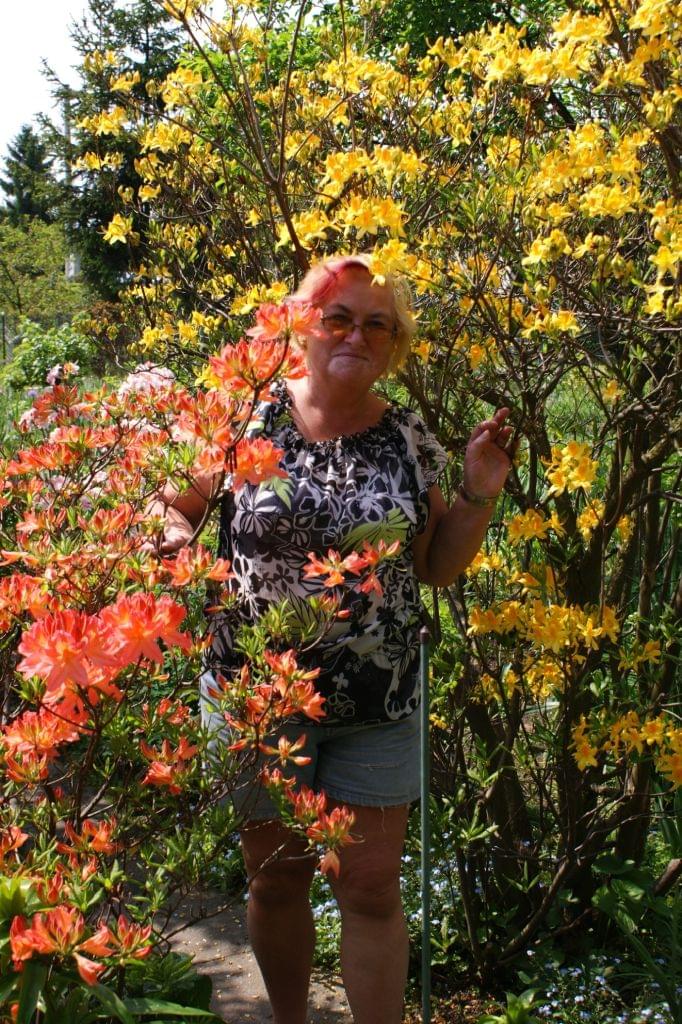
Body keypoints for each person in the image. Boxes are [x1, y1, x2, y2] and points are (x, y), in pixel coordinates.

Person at [153, 254, 514, 1024]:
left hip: (376, 704)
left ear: (394, 343)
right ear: (302, 327)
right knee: (278, 879)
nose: (357, 334)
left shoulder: (406, 434)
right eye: (338, 317)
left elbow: (436, 567)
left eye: (377, 324)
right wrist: (175, 542)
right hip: (256, 698)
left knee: (372, 890)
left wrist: (478, 492)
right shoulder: (245, 414)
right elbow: (174, 505)